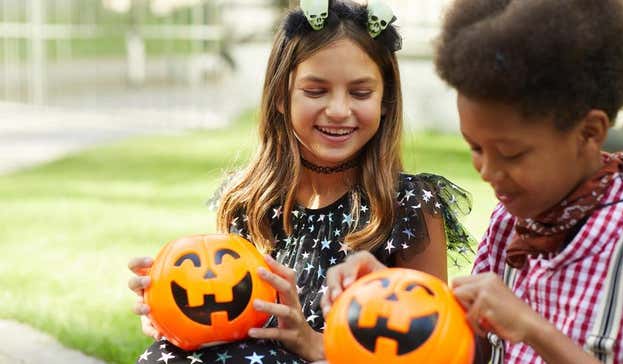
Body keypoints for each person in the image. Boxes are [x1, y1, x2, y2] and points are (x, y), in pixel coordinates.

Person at [128, 1, 474, 363]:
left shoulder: (408, 204)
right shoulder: (250, 200)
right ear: (280, 96)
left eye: (360, 93)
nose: (339, 110)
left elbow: (433, 345)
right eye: (315, 91)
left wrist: (315, 344)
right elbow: (226, 312)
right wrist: (172, 313)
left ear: (385, 101)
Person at [322, 0, 623, 363]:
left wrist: (532, 328)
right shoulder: (510, 222)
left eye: (511, 154)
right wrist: (396, 295)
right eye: (475, 148)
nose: (488, 171)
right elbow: (466, 348)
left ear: (589, 132)